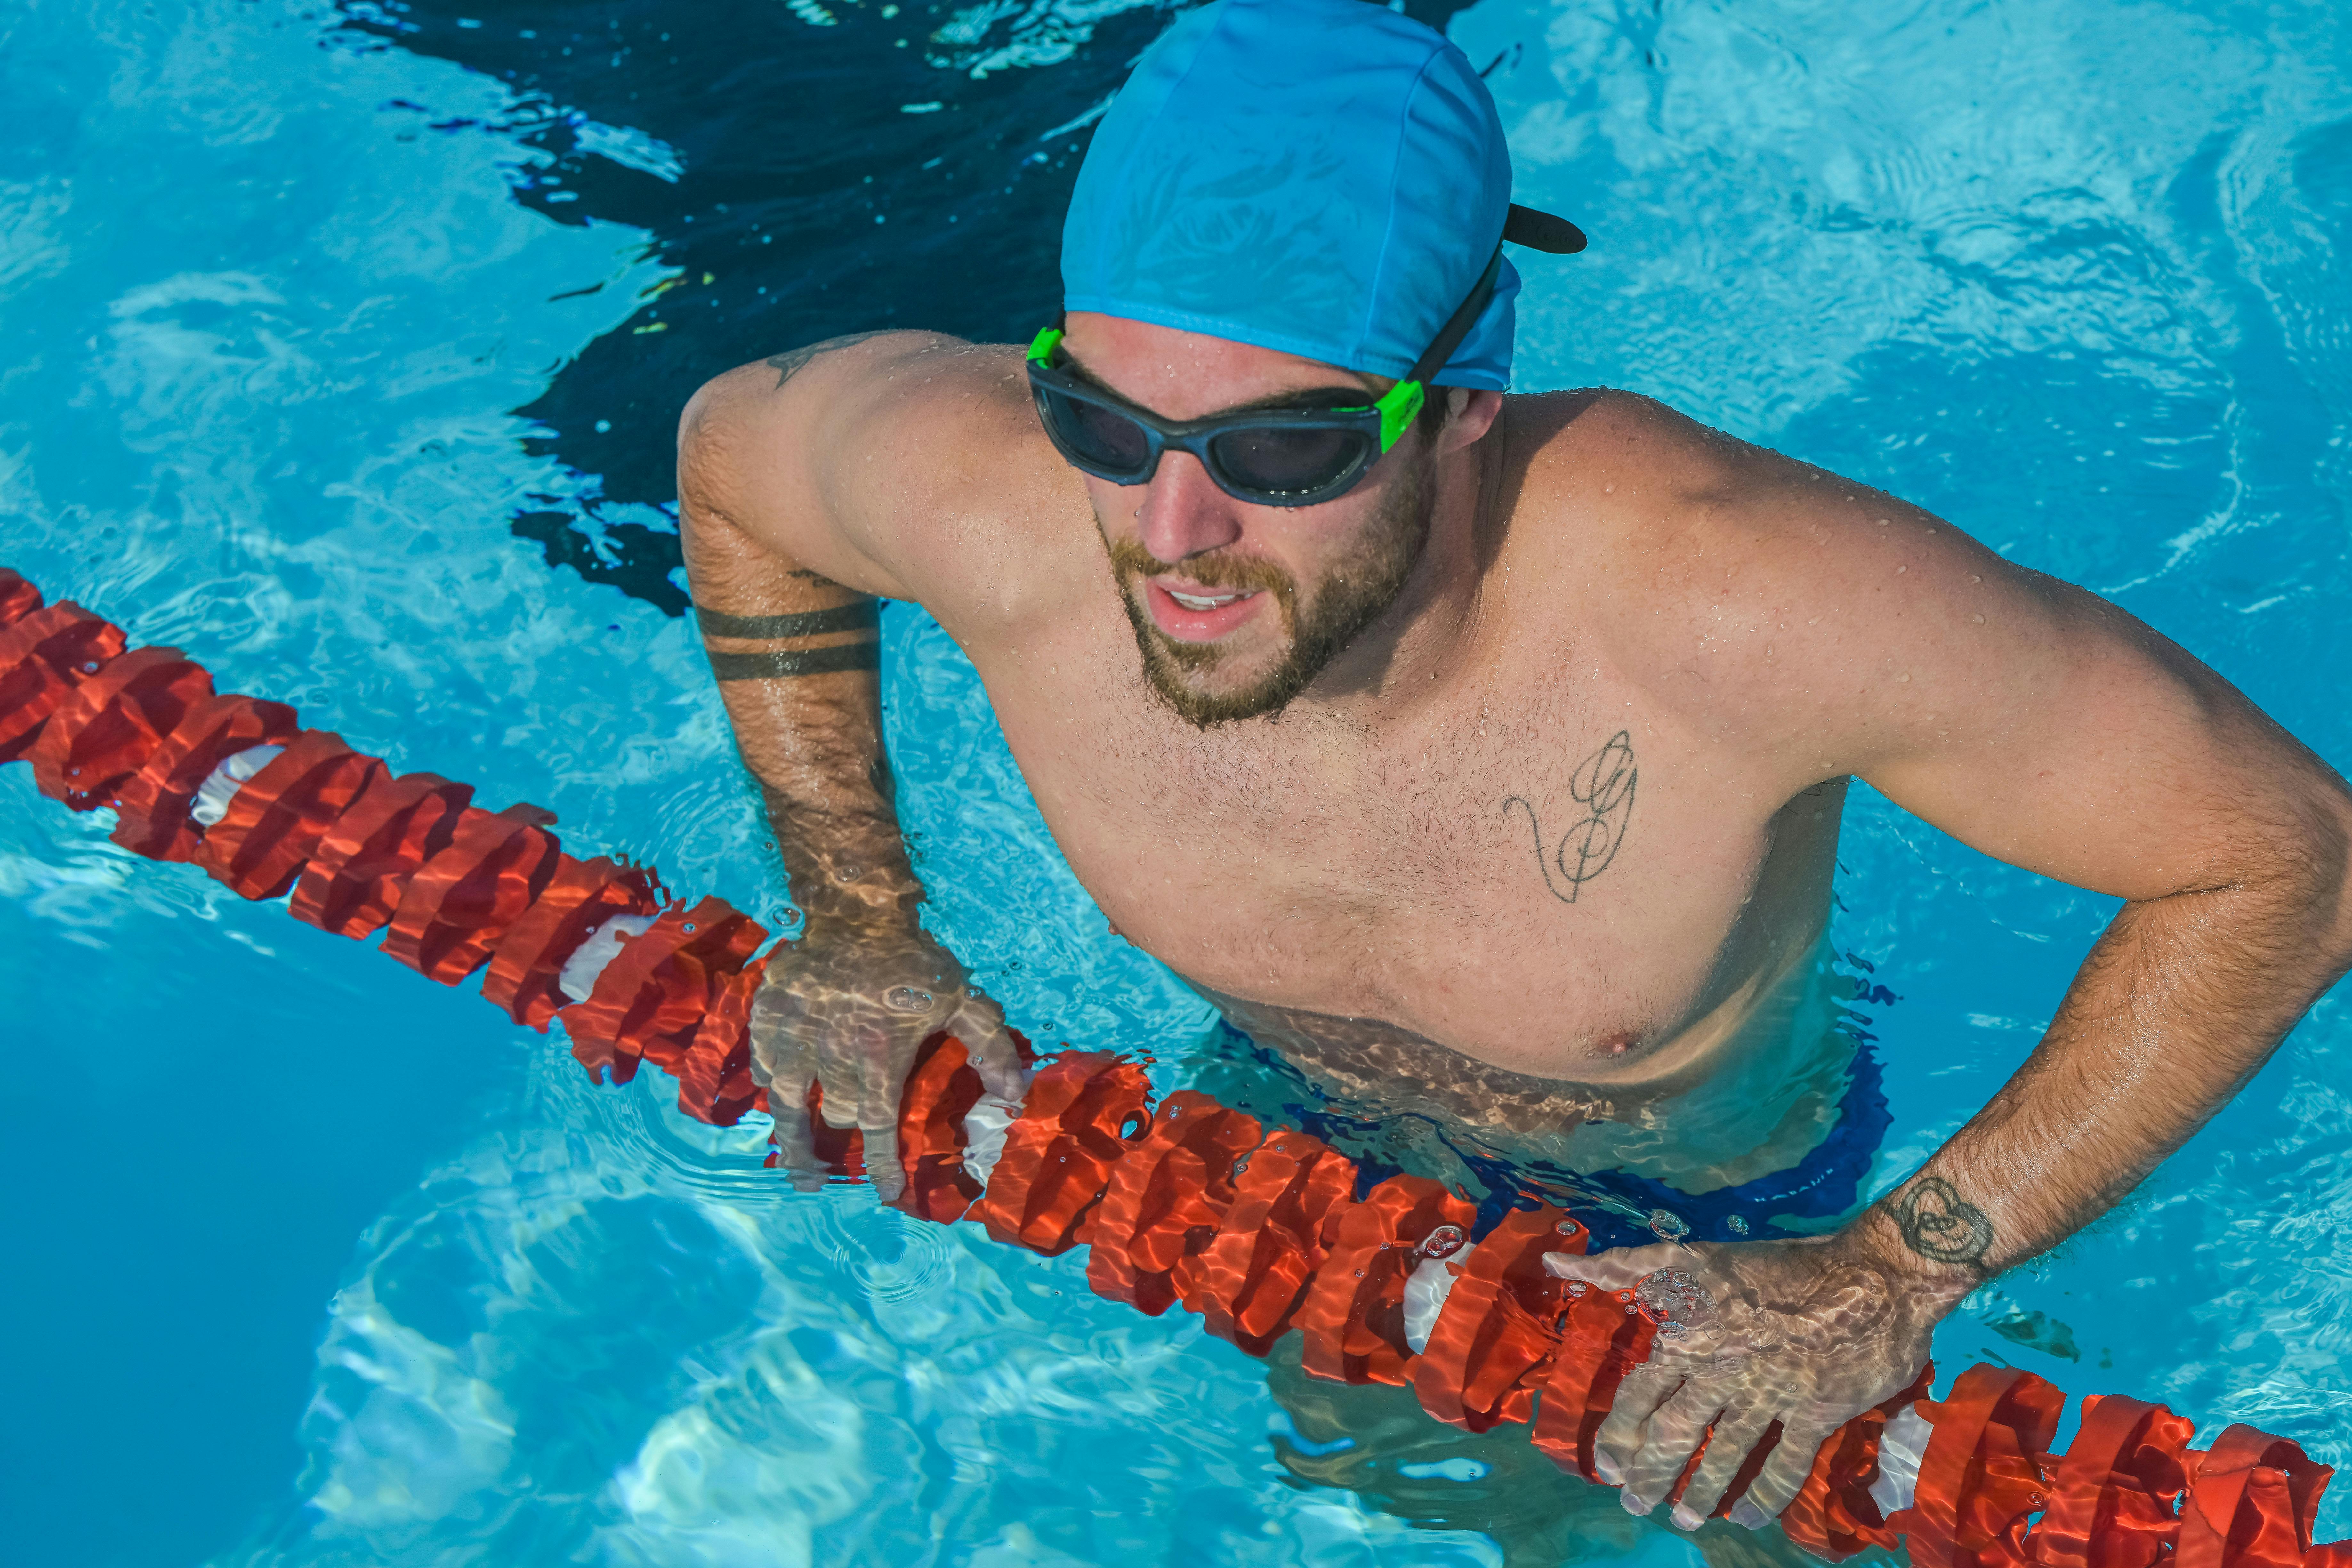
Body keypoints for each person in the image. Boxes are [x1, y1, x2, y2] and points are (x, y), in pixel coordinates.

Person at [673, 0, 2352, 1532]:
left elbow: (2287, 852)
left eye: (1282, 448)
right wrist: (857, 917)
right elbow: (732, 462)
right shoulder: (996, 506)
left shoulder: (1734, 604)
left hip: (1730, 1200)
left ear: (1465, 400)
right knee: (1357, 1471)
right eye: (1104, 425)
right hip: (1289, 1125)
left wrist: (1892, 1268)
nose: (1169, 533)